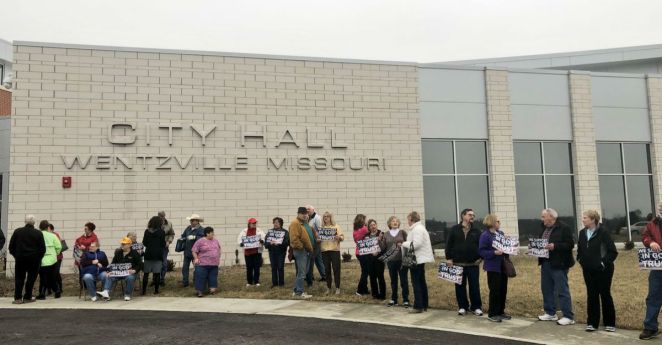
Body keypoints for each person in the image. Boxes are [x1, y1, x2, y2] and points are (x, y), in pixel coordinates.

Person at [577, 209, 618, 332]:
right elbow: (580, 249)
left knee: (605, 294)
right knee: (592, 295)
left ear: (593, 219)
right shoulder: (582, 233)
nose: (582, 219)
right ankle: (592, 323)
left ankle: (610, 323)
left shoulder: (603, 232)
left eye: (585, 217)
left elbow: (613, 252)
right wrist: (580, 260)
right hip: (588, 269)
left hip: (603, 270)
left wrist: (602, 263)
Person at [537, 208, 576, 326]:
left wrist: (555, 246)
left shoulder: (564, 228)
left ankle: (568, 316)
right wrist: (535, 249)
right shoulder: (543, 228)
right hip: (545, 262)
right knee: (546, 288)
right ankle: (550, 313)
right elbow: (541, 243)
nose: (542, 219)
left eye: (544, 217)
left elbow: (570, 244)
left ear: (552, 217)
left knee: (561, 289)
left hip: (559, 263)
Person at [446, 208, 483, 316]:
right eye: (470, 214)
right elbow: (449, 245)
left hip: (473, 264)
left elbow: (481, 246)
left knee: (474, 286)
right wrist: (449, 258)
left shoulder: (477, 231)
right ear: (463, 216)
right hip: (458, 264)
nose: (472, 217)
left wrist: (480, 258)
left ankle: (476, 307)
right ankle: (462, 307)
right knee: (460, 287)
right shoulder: (454, 229)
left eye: (473, 215)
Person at [479, 214, 510, 322]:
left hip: (503, 266)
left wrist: (508, 243)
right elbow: (481, 251)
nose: (499, 223)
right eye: (498, 221)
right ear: (492, 222)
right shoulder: (485, 235)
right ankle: (493, 313)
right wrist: (494, 252)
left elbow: (505, 248)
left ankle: (501, 311)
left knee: (503, 289)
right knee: (495, 290)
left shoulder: (500, 233)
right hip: (493, 267)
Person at [9, 215, 46, 304]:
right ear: (34, 223)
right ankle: (27, 297)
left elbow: (11, 247)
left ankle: (17, 298)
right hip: (34, 260)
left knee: (19, 278)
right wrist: (38, 258)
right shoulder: (38, 233)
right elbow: (42, 249)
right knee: (31, 279)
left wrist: (16, 256)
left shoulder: (17, 231)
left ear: (25, 221)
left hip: (20, 259)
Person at [402, 211, 434, 313]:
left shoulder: (417, 229)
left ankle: (418, 306)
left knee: (416, 282)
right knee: (421, 282)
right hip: (419, 259)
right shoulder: (418, 228)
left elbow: (417, 244)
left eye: (408, 219)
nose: (407, 221)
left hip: (417, 259)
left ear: (412, 219)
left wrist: (403, 243)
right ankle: (424, 305)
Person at [640, 201, 662, 340]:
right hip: (658, 267)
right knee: (653, 297)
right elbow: (645, 236)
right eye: (660, 207)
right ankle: (650, 328)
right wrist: (650, 242)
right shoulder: (652, 224)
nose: (661, 209)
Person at [97, 237, 142, 301]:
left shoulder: (134, 253)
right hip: (118, 273)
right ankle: (106, 292)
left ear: (129, 245)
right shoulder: (118, 253)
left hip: (129, 273)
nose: (122, 245)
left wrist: (135, 270)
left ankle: (127, 294)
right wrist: (110, 271)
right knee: (109, 276)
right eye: (122, 244)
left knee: (130, 278)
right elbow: (113, 264)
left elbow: (140, 264)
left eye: (124, 244)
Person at [380, 216, 409, 308]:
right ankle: (394, 299)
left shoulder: (402, 232)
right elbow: (383, 247)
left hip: (402, 260)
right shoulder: (386, 234)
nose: (395, 222)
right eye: (393, 221)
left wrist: (403, 245)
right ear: (389, 223)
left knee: (404, 280)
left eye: (397, 221)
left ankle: (405, 300)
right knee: (393, 280)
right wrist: (379, 241)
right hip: (391, 261)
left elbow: (409, 244)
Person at [289, 207, 314, 299]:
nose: (304, 215)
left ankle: (296, 290)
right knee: (302, 273)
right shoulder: (295, 223)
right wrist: (302, 248)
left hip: (305, 251)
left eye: (306, 213)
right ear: (298, 214)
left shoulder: (303, 223)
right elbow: (294, 239)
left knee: (303, 272)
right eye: (302, 213)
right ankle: (299, 292)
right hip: (300, 251)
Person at [319, 211, 344, 295]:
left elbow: (342, 237)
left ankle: (337, 287)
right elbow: (318, 238)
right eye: (324, 216)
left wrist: (338, 237)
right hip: (324, 251)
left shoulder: (336, 226)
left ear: (330, 218)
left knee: (336, 269)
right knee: (327, 270)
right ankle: (328, 287)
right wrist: (318, 239)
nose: (326, 218)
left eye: (327, 216)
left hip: (334, 250)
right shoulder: (321, 228)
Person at [192, 226, 221, 297]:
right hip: (202, 264)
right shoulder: (200, 241)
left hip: (214, 264)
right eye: (212, 233)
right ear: (207, 234)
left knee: (213, 277)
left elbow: (219, 249)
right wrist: (196, 258)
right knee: (200, 277)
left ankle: (212, 289)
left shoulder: (215, 240)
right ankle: (200, 292)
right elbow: (194, 250)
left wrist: (218, 257)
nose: (213, 234)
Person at [36, 220, 62, 300]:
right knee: (52, 277)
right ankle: (57, 291)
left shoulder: (37, 235)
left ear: (40, 227)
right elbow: (59, 247)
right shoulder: (53, 235)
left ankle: (42, 293)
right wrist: (56, 253)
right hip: (52, 259)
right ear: (48, 227)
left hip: (41, 260)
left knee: (43, 277)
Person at [238, 218, 266, 287]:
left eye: (255, 223)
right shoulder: (244, 231)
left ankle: (256, 281)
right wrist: (241, 243)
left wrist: (262, 241)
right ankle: (249, 282)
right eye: (253, 223)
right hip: (248, 252)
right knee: (249, 267)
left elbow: (264, 237)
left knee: (257, 267)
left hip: (257, 251)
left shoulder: (259, 230)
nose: (254, 224)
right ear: (249, 224)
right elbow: (239, 238)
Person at [179, 214, 205, 287]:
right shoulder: (188, 228)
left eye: (193, 220)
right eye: (191, 220)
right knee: (185, 268)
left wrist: (195, 237)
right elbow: (183, 235)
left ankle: (195, 282)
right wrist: (182, 239)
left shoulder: (201, 229)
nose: (191, 222)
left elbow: (202, 239)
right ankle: (185, 282)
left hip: (196, 253)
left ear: (197, 221)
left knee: (196, 268)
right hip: (187, 251)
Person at [142, 216, 166, 295]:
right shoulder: (161, 232)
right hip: (158, 254)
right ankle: (156, 290)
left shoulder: (146, 231)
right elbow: (163, 244)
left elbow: (144, 243)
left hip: (148, 254)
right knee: (157, 273)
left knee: (146, 273)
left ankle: (144, 291)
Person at [264, 217, 289, 288]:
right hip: (272, 252)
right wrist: (270, 244)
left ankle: (281, 283)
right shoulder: (270, 232)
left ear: (281, 223)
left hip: (281, 252)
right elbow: (265, 243)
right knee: (273, 267)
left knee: (280, 267)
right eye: (274, 222)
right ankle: (274, 283)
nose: (275, 224)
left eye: (277, 222)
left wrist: (279, 243)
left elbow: (287, 242)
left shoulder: (285, 232)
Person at [367, 219, 386, 300]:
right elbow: (363, 247)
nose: (373, 226)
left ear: (376, 225)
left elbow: (385, 247)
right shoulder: (366, 236)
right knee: (372, 276)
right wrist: (370, 252)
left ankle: (382, 295)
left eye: (374, 224)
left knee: (380, 276)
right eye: (371, 225)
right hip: (370, 259)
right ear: (369, 227)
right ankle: (374, 294)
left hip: (379, 258)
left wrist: (378, 252)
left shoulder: (381, 234)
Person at [306, 205, 326, 283]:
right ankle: (324, 275)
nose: (307, 211)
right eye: (306, 209)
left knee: (311, 259)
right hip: (311, 241)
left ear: (313, 210)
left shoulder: (317, 218)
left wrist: (319, 239)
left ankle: (310, 276)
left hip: (316, 242)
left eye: (309, 209)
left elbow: (321, 229)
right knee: (318, 259)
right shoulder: (308, 218)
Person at [353, 214, 371, 296]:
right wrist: (367, 225)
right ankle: (359, 290)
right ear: (362, 220)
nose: (366, 221)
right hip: (364, 252)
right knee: (365, 272)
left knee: (364, 271)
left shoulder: (355, 230)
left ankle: (365, 289)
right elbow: (370, 233)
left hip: (358, 252)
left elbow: (355, 241)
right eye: (365, 219)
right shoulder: (364, 229)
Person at [159, 211, 175, 286]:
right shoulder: (153, 222)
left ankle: (162, 279)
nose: (162, 217)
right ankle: (155, 280)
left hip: (164, 246)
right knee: (156, 264)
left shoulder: (169, 223)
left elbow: (172, 234)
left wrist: (169, 241)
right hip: (155, 247)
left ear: (165, 215)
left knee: (164, 263)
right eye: (160, 216)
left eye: (163, 216)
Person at [47, 223, 65, 295]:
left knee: (56, 273)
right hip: (50, 258)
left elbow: (58, 246)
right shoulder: (46, 235)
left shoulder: (55, 235)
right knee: (49, 273)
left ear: (51, 229)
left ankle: (59, 288)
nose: (46, 230)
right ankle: (49, 289)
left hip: (57, 257)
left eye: (48, 228)